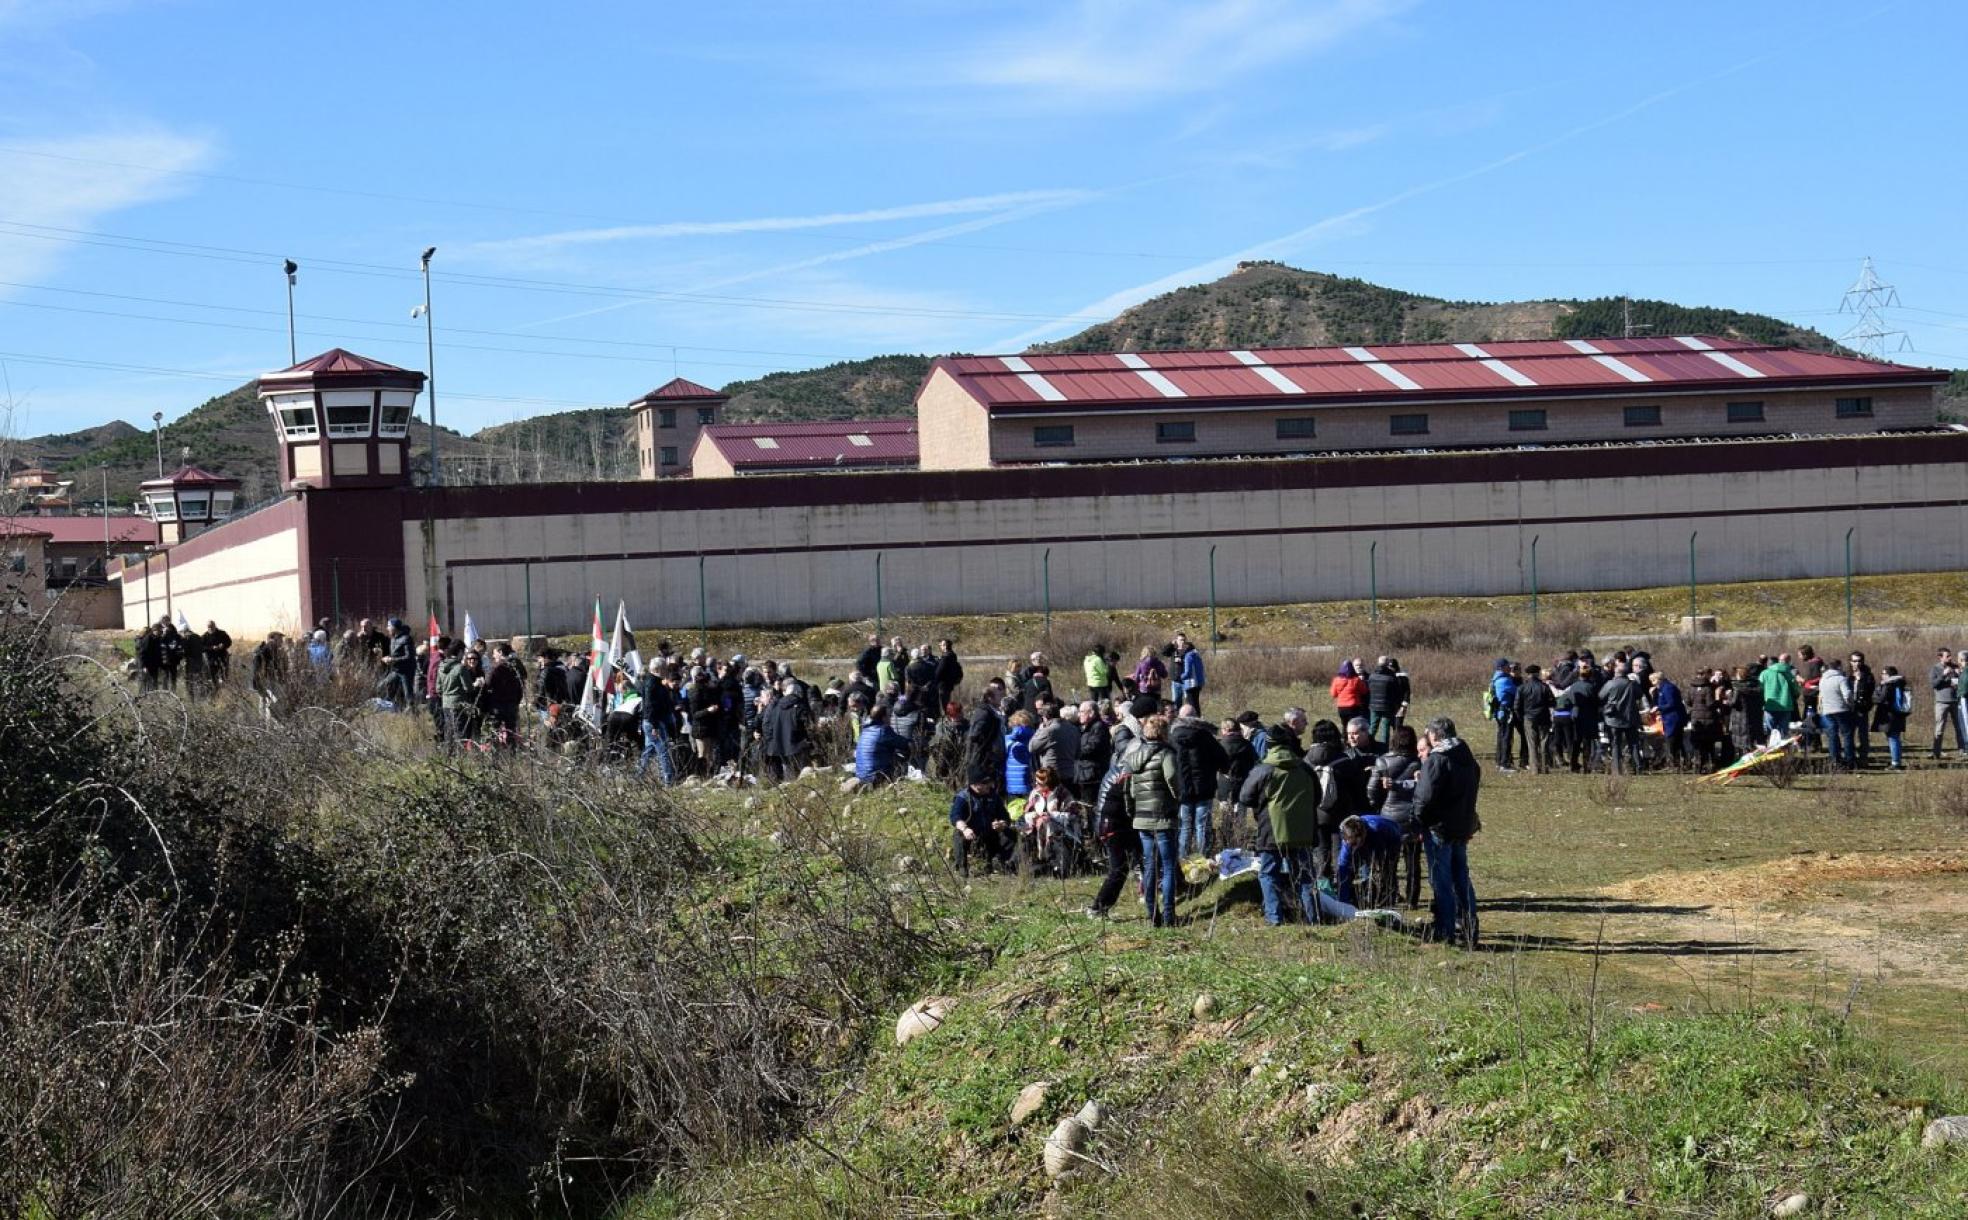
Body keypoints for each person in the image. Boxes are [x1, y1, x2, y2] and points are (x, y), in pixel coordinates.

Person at [1239, 720, 1321, 926]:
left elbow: (1245, 797)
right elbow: (1318, 797)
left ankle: (1274, 918)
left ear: (1268, 744)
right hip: (1303, 831)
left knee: (1268, 874)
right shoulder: (1305, 767)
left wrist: (1262, 803)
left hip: (1272, 829)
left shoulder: (1264, 769)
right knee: (1304, 877)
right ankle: (1312, 919)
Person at [1415, 716, 1481, 948]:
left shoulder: (1437, 760)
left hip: (1439, 829)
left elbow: (1424, 798)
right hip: (1462, 827)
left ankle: (1446, 929)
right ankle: (1470, 928)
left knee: (1441, 880)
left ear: (1434, 736)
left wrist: (1420, 820)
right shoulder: (1469, 759)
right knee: (1462, 879)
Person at [1123, 715, 1182, 928]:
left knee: (1149, 865)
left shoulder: (1134, 756)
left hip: (1142, 818)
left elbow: (1129, 790)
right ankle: (1168, 915)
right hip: (1163, 816)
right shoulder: (1166, 754)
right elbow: (1173, 778)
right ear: (1164, 733)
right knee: (1167, 866)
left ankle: (1151, 913)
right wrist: (1177, 798)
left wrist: (1134, 812)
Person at [1169, 705, 1226, 860]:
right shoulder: (1205, 736)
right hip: (1205, 787)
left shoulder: (1172, 737)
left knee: (1185, 826)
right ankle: (1204, 859)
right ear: (1196, 716)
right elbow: (1222, 758)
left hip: (1182, 789)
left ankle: (1182, 859)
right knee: (1202, 825)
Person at [1084, 756, 1138, 918]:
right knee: (1119, 869)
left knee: (1132, 862)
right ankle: (1098, 908)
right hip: (1113, 827)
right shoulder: (1125, 778)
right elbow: (1128, 806)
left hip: (1112, 825)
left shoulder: (1117, 772)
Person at [1335, 813, 1407, 909]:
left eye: (1356, 843)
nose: (1354, 847)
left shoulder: (1377, 830)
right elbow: (1343, 869)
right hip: (1369, 839)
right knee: (1347, 870)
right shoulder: (1347, 839)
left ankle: (1387, 903)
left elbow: (1379, 859)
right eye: (1352, 844)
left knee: (1387, 872)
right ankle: (1358, 897)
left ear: (1363, 835)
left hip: (1392, 839)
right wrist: (1342, 904)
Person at [949, 776, 1013, 877]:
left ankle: (1003, 863)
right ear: (977, 785)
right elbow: (955, 817)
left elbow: (1005, 817)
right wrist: (965, 829)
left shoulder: (994, 796)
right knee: (959, 834)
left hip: (990, 836)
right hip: (972, 837)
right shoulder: (963, 797)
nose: (990, 786)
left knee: (1009, 833)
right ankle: (962, 868)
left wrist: (1001, 824)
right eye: (986, 784)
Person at [1598, 663, 1643, 774]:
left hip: (1613, 718)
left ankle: (1617, 769)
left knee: (1615, 744)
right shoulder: (1632, 684)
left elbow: (1601, 696)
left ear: (1616, 672)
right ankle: (1638, 767)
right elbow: (1639, 695)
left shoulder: (1610, 684)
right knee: (1634, 744)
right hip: (1630, 718)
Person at [855, 703, 911, 786]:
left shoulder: (865, 730)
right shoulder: (883, 730)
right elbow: (903, 743)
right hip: (875, 777)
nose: (890, 719)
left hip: (860, 775)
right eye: (889, 716)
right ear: (884, 718)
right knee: (902, 760)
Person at [1072, 700, 1113, 808]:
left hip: (1092, 774)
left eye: (1081, 711)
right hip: (1084, 773)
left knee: (1090, 805)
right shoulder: (1086, 727)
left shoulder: (1099, 727)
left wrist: (1074, 752)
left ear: (1091, 713)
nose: (1079, 714)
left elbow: (1092, 748)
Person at [1515, 664, 1554, 773]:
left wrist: (1521, 718)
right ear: (1538, 673)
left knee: (1532, 744)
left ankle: (1534, 769)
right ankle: (1545, 767)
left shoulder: (1522, 688)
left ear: (1528, 674)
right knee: (1544, 742)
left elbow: (1517, 706)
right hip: (1544, 717)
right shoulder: (1544, 687)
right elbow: (1552, 702)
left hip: (1529, 718)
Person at [1818, 659, 1855, 770]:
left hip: (1828, 710)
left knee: (1832, 735)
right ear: (1838, 667)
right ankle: (1849, 760)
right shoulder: (1841, 679)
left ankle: (1834, 760)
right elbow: (1847, 694)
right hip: (1841, 710)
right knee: (1847, 735)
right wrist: (1851, 705)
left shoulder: (1823, 680)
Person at [1873, 665, 1911, 771]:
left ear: (1889, 675)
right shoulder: (1900, 683)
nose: (1882, 676)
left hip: (1889, 714)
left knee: (1892, 738)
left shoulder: (1888, 685)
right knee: (1896, 738)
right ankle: (1897, 760)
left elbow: (1880, 699)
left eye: (1884, 673)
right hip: (1899, 713)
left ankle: (1895, 763)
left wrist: (1875, 694)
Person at [1932, 649, 1966, 758]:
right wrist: (1943, 675)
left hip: (1956, 701)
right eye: (1947, 656)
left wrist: (1959, 675)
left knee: (1960, 727)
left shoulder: (1955, 667)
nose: (1950, 658)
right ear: (1940, 657)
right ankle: (1936, 752)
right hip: (1941, 702)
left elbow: (1963, 681)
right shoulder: (1935, 669)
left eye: (1950, 656)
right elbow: (1934, 684)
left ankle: (1962, 749)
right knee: (1940, 728)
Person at [1366, 656, 1408, 744]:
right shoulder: (1391, 677)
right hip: (1387, 706)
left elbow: (1368, 690)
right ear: (1386, 664)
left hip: (1373, 706)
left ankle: (1366, 744)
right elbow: (1396, 692)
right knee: (1385, 728)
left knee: (1373, 727)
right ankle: (1384, 748)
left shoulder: (1372, 676)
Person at [1760, 653, 1800, 745]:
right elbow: (1795, 690)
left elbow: (1760, 689)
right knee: (1783, 734)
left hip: (1769, 705)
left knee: (1770, 732)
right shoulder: (1789, 673)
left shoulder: (1764, 673)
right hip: (1785, 705)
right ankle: (1783, 755)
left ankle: (1770, 753)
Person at [1488, 660, 1519, 770]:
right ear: (1501, 667)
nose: (1510, 667)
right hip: (1506, 712)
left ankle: (1499, 760)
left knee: (1501, 736)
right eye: (1507, 666)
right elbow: (1517, 692)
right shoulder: (1504, 680)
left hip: (1499, 712)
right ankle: (1504, 764)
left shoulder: (1495, 678)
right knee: (1506, 737)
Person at [1848, 650, 1876, 767]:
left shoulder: (1868, 675)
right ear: (1850, 662)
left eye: (1859, 661)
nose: (1857, 663)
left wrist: (1861, 680)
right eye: (1854, 661)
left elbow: (1870, 691)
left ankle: (1863, 758)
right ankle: (1850, 757)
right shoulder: (1847, 675)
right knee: (1849, 734)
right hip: (1849, 709)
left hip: (1862, 709)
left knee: (1863, 734)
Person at [249, 630, 286, 719]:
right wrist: (257, 681)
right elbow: (257, 666)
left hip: (264, 680)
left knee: (264, 701)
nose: (282, 641)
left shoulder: (271, 649)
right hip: (265, 680)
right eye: (280, 639)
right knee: (274, 700)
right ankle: (271, 723)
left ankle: (263, 722)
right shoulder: (267, 649)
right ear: (272, 639)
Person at [1330, 660, 1366, 728]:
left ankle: (1344, 737)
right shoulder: (1356, 680)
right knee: (1354, 726)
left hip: (1341, 707)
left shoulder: (1336, 680)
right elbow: (1364, 691)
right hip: (1354, 707)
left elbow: (1333, 694)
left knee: (1344, 725)